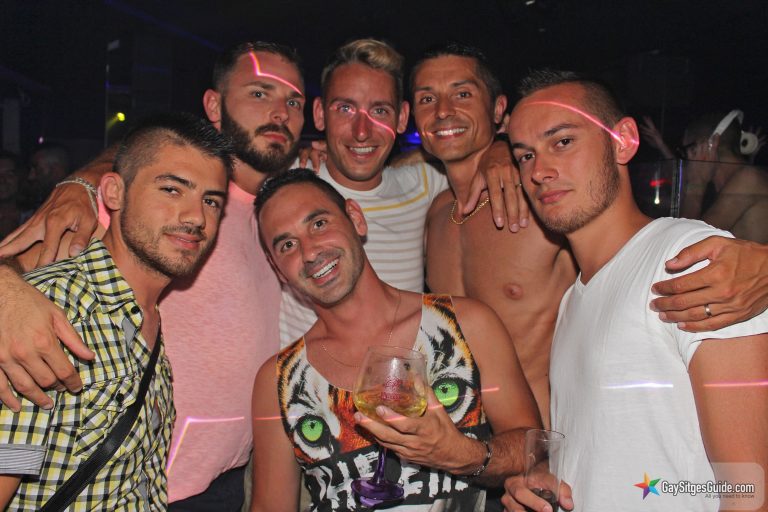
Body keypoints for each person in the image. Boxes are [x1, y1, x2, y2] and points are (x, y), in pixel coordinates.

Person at [0, 41, 306, 509]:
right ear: (214, 105)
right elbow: (14, 455)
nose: (280, 112)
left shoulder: (278, 210)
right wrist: (5, 291)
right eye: (260, 93)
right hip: (157, 487)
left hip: (194, 484)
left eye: (294, 101)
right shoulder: (100, 233)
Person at [502, 69, 768, 512]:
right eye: (525, 156)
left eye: (563, 141)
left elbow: (751, 492)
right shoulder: (573, 300)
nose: (540, 171)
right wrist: (554, 478)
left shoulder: (687, 260)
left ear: (623, 141)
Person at [251, 169, 540, 511]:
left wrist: (463, 455)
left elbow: (531, 449)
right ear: (276, 267)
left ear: (355, 218)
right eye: (287, 245)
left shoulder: (467, 324)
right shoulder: (277, 381)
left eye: (318, 224)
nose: (310, 252)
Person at [0, 112, 232, 510]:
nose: (197, 217)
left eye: (210, 201)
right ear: (113, 193)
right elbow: (9, 466)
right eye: (172, 190)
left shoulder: (145, 316)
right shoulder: (55, 313)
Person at [411, 43, 577, 426]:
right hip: (461, 445)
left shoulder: (541, 197)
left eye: (462, 94)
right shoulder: (436, 214)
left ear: (499, 109)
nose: (443, 111)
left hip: (545, 440)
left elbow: (626, 257)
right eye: (427, 99)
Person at [279, 38, 448, 344]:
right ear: (320, 114)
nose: (361, 132)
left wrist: (499, 152)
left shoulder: (425, 184)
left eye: (379, 111)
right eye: (345, 108)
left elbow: (474, 157)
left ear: (401, 118)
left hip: (399, 372)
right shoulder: (283, 185)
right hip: (303, 373)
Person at [679, 110, 768, 242]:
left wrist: (696, 183)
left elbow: (688, 242)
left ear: (710, 145)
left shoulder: (749, 179)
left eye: (688, 150)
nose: (687, 158)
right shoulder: (730, 184)